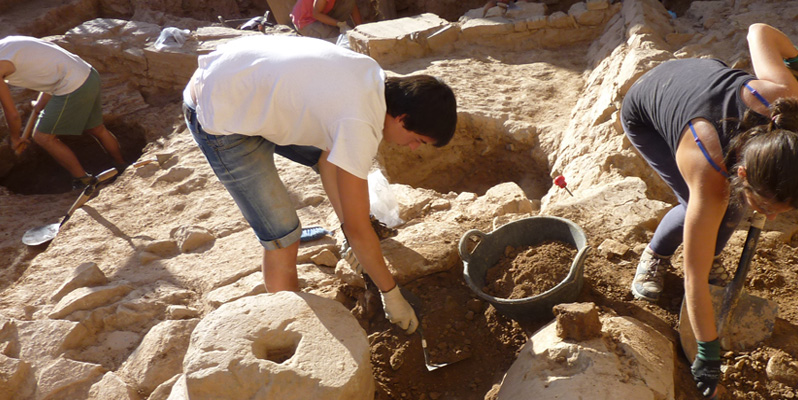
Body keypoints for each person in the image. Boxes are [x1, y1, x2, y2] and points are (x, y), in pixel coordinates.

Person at [182, 35, 457, 335]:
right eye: (418, 140)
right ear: (402, 118)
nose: (414, 148)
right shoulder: (359, 122)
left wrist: (349, 231)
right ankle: (293, 329)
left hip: (243, 86)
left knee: (341, 183)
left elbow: (330, 160)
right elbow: (357, 225)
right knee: (283, 235)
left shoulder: (373, 79)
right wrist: (390, 292)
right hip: (216, 111)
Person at [620, 23, 798, 398]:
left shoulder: (789, 104)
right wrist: (708, 352)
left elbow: (760, 32)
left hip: (700, 76)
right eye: (765, 206)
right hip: (649, 105)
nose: (770, 219)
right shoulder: (708, 168)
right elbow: (693, 277)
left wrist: (797, 60)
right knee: (712, 209)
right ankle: (655, 255)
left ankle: (709, 243)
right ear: (741, 172)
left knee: (728, 214)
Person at [1, 36, 127, 190]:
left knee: (43, 137)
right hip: (88, 75)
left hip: (73, 87)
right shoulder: (8, 44)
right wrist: (40, 105)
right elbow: (50, 66)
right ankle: (121, 165)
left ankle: (83, 180)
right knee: (97, 128)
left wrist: (15, 137)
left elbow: (12, 114)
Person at [290, 0, 362, 39]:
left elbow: (352, 6)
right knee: (340, 39)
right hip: (305, 21)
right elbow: (316, 14)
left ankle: (333, 26)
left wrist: (360, 28)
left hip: (321, 12)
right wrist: (340, 24)